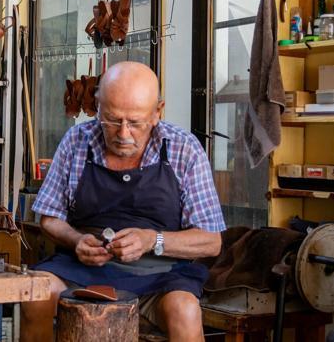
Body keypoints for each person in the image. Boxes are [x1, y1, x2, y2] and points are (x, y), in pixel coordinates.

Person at [22, 62, 225, 341]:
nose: (123, 134)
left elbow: (211, 241)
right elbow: (49, 217)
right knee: (36, 294)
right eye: (113, 120)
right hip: (82, 269)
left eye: (135, 123)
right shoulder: (76, 141)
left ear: (157, 113)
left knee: (185, 310)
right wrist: (76, 241)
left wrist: (153, 240)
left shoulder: (184, 149)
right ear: (98, 106)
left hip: (161, 275)